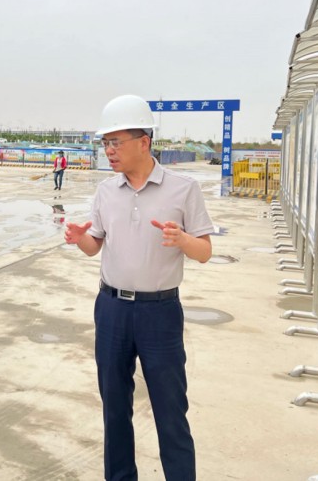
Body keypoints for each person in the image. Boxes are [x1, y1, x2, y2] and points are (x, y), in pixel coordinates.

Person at [64, 94, 213, 481]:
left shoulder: (183, 189)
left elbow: (205, 252)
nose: (109, 151)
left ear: (144, 142)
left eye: (116, 142)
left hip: (159, 313)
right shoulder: (106, 191)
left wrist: (183, 240)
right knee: (114, 408)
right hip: (112, 309)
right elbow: (94, 246)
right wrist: (79, 238)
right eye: (105, 143)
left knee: (170, 409)